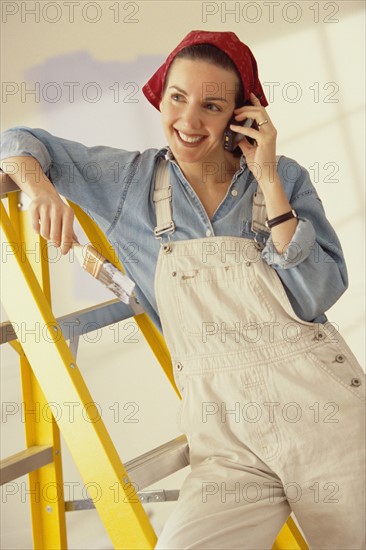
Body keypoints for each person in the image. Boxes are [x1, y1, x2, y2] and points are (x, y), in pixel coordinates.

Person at [1, 30, 365, 550]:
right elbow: (14, 140)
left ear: (241, 115)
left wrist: (268, 181)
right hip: (227, 449)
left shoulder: (283, 177)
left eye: (211, 106)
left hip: (326, 422)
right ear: (160, 96)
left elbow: (315, 298)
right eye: (178, 98)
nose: (189, 121)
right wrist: (40, 191)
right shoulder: (130, 181)